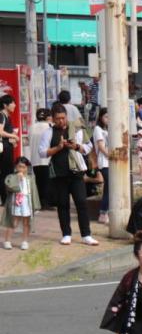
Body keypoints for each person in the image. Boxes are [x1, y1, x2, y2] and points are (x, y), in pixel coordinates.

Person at [40, 103, 97, 246]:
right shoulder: (48, 133)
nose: (61, 121)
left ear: (66, 116)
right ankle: (66, 234)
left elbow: (88, 146)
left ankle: (86, 235)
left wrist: (76, 146)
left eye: (63, 118)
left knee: (81, 203)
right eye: (58, 118)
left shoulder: (76, 129)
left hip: (76, 172)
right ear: (52, 119)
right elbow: (42, 152)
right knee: (62, 204)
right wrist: (58, 147)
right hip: (59, 173)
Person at [2, 157, 38, 251]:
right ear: (16, 167)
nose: (21, 169)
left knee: (26, 222)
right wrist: (17, 179)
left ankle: (25, 241)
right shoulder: (11, 177)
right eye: (19, 167)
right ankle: (7, 241)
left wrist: (36, 205)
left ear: (27, 167)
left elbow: (34, 192)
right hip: (15, 202)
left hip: (26, 202)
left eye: (23, 167)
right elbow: (9, 186)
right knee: (13, 222)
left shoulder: (30, 178)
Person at [92, 107, 110, 225]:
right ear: (101, 117)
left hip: (110, 162)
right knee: (110, 187)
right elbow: (101, 146)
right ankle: (103, 212)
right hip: (104, 162)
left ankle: (105, 212)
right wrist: (111, 156)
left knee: (109, 188)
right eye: (106, 117)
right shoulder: (98, 129)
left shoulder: (108, 129)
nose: (108, 119)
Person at [0, 94, 18, 205]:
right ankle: (5, 198)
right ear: (5, 105)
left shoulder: (7, 117)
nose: (14, 105)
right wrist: (13, 136)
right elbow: (0, 131)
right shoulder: (1, 116)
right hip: (4, 150)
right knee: (5, 173)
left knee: (6, 172)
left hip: (7, 148)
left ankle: (6, 197)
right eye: (12, 103)